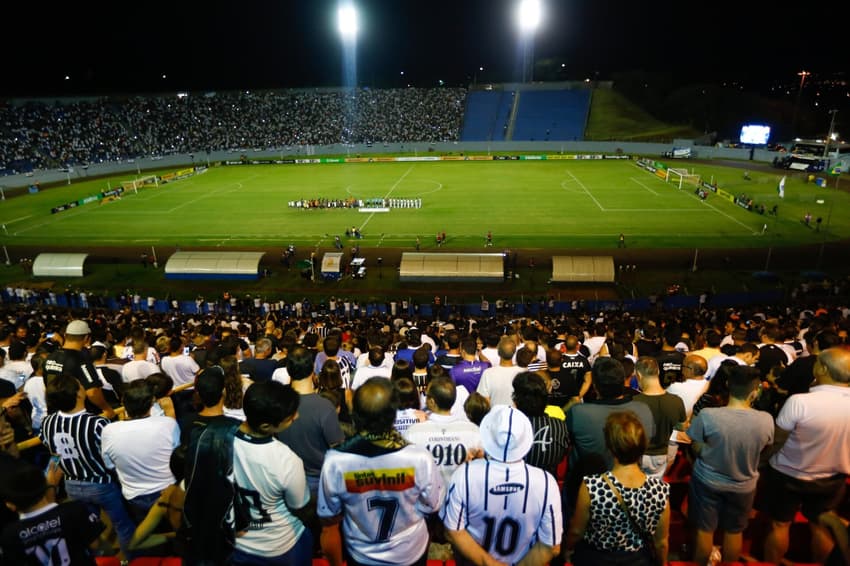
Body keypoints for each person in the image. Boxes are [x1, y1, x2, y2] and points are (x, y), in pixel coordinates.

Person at [318, 377, 444, 566]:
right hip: (409, 551)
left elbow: (329, 523)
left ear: (356, 414)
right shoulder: (418, 457)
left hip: (362, 553)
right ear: (393, 415)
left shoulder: (336, 460)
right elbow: (432, 505)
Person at [442, 405, 562, 565]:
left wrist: (489, 563)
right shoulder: (547, 483)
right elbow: (551, 546)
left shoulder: (464, 475)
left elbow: (452, 531)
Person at [763, 347, 850, 564]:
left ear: (822, 368)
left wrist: (761, 463)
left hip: (788, 474)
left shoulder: (800, 402)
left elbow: (778, 440)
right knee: (820, 526)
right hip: (832, 476)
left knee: (779, 524)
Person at [39, 374, 137, 557]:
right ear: (78, 394)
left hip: (71, 485)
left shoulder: (47, 423)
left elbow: (54, 453)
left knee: (89, 530)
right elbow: (112, 454)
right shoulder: (97, 423)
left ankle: (98, 559)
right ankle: (129, 561)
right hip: (102, 484)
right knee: (123, 526)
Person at [687, 365, 774, 565]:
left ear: (728, 385)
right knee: (734, 531)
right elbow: (766, 449)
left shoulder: (709, 415)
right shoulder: (766, 420)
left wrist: (707, 451)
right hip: (744, 485)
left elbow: (695, 444)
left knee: (704, 529)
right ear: (755, 390)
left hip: (707, 480)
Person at [565, 411, 670, 565]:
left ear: (610, 447)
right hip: (638, 559)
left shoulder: (592, 485)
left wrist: (567, 550)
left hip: (596, 558)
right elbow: (661, 543)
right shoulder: (659, 490)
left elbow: (576, 531)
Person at [231, 381, 315, 565]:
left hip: (236, 542)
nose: (297, 417)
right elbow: (299, 506)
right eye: (290, 417)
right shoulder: (286, 460)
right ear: (266, 426)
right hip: (281, 544)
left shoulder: (219, 438)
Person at [0, 459, 105, 566]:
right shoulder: (75, 510)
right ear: (44, 484)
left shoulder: (9, 535)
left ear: (10, 504)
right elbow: (95, 545)